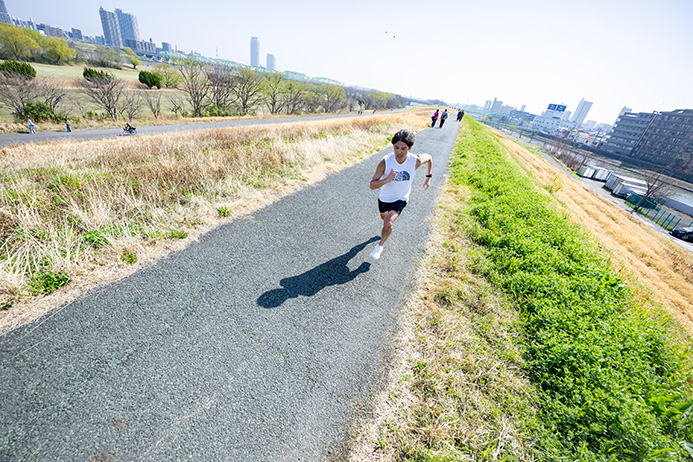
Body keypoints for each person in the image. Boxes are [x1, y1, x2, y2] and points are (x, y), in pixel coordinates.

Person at [369, 129, 433, 260]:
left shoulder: (415, 160)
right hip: (384, 199)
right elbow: (372, 185)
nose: (399, 152)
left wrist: (428, 177)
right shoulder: (385, 162)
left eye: (403, 148)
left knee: (388, 222)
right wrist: (387, 179)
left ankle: (380, 246)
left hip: (401, 198)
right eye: (396, 147)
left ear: (410, 148)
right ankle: (386, 230)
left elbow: (429, 158)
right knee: (384, 220)